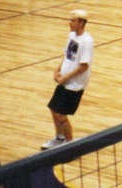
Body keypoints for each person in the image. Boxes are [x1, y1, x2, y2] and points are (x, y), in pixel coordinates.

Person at [42, 9, 94, 149]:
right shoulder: (71, 36)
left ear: (81, 23)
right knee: (53, 109)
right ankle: (59, 138)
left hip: (74, 84)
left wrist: (66, 77)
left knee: (61, 115)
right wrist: (57, 70)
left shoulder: (87, 41)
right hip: (64, 80)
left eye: (73, 20)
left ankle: (69, 145)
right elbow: (66, 55)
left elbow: (83, 66)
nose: (69, 22)